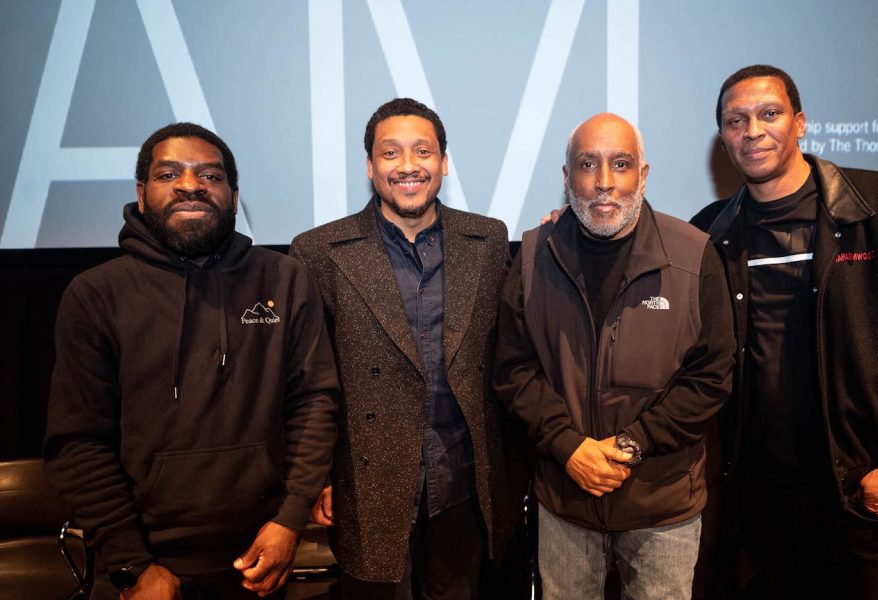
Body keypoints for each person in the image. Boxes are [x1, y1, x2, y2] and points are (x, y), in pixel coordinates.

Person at [691, 64, 878, 599]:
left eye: (769, 114)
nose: (753, 131)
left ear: (801, 122)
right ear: (723, 138)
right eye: (736, 121)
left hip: (869, 497)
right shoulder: (710, 233)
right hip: (762, 511)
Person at [44, 122, 338, 599]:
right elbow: (77, 443)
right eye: (168, 175)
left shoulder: (284, 279)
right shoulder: (95, 295)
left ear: (234, 195)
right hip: (146, 571)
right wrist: (133, 566)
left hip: (260, 558)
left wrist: (289, 522)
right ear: (141, 194)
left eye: (209, 175)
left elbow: (314, 404)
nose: (190, 185)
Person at [494, 112, 735, 600]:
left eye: (621, 164)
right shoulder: (532, 256)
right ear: (567, 179)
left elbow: (711, 377)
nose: (604, 183)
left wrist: (630, 446)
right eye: (588, 164)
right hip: (564, 503)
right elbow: (513, 370)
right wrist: (569, 447)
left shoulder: (694, 256)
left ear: (642, 175)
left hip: (663, 508)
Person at [289, 98, 524, 599]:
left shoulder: (488, 240)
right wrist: (315, 480)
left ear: (443, 162)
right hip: (367, 486)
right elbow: (312, 382)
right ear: (370, 166)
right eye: (391, 153)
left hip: (463, 482)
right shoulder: (318, 251)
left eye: (423, 151)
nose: (409, 166)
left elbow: (506, 359)